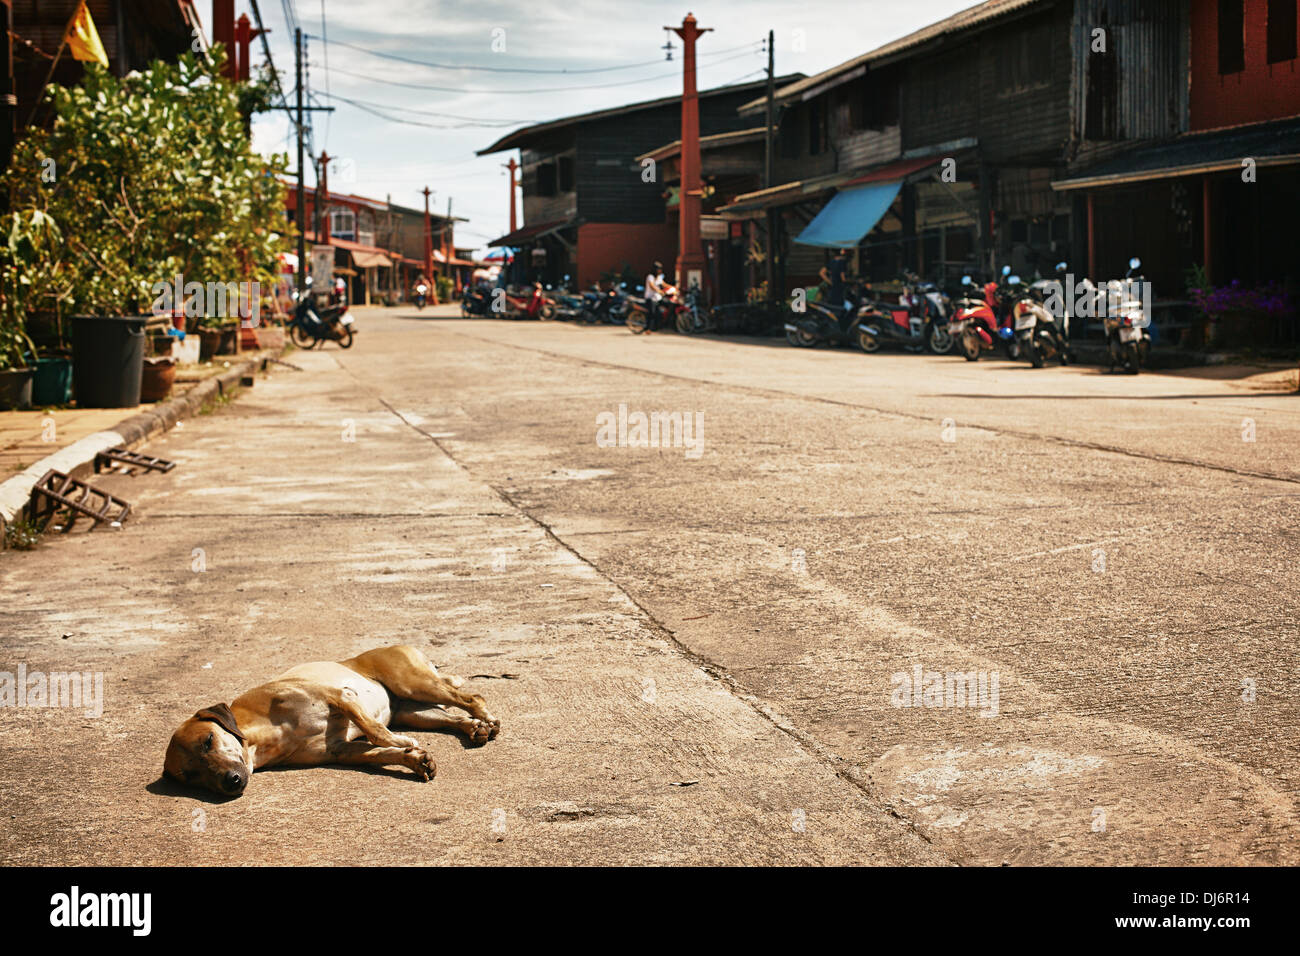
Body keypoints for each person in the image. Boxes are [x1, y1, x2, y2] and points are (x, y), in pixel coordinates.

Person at [643, 261, 667, 333]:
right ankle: (648, 328)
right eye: (659, 269)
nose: (660, 270)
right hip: (650, 298)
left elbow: (664, 284)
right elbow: (652, 285)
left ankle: (657, 327)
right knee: (652, 313)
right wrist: (659, 291)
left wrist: (674, 288)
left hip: (657, 298)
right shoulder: (650, 277)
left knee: (659, 312)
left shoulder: (659, 277)